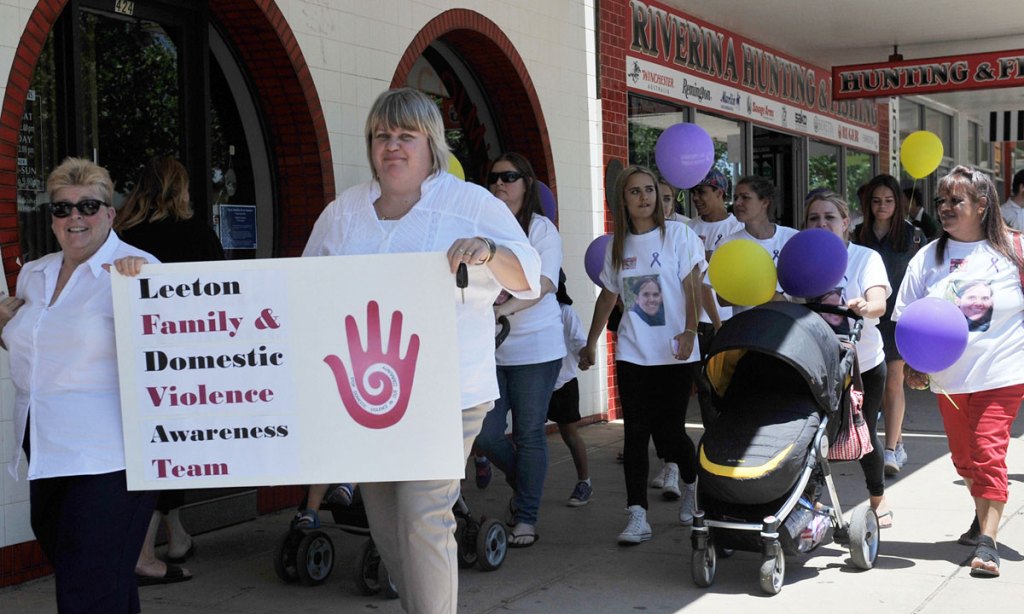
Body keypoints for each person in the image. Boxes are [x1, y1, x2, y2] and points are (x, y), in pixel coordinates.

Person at [302, 87, 540, 613]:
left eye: (405, 136)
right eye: (382, 136)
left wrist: (491, 251)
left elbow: (529, 276)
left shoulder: (470, 202)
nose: (392, 146)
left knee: (423, 513)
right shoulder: (344, 213)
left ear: (430, 144)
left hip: (446, 391)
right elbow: (305, 286)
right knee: (387, 527)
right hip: (368, 395)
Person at [1, 157, 161, 612]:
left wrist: (144, 292)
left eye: (89, 206)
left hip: (109, 456)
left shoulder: (137, 270)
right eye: (62, 208)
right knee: (97, 582)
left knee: (86, 588)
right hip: (44, 448)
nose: (75, 217)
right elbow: (40, 349)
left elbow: (170, 356)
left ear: (111, 213)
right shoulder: (36, 273)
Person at [895, 165, 1024, 578]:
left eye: (956, 201)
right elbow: (907, 316)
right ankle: (981, 514)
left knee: (989, 453)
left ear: (982, 205)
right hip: (949, 381)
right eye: (941, 201)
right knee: (965, 460)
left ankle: (988, 542)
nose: (945, 208)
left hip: (1002, 373)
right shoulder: (927, 258)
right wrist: (915, 363)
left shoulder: (1012, 252)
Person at [579, 164, 705, 545]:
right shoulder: (616, 247)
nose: (644, 197)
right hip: (634, 354)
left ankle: (692, 483)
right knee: (635, 435)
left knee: (669, 435)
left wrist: (690, 330)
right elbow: (608, 296)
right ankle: (637, 514)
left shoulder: (679, 236)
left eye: (649, 189)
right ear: (623, 200)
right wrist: (590, 342)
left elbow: (692, 287)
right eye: (635, 191)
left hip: (676, 352)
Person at [115, 156, 224, 585]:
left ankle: (175, 537)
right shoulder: (196, 234)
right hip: (183, 358)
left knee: (157, 448)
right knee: (165, 452)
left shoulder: (122, 237)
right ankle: (142, 555)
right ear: (180, 190)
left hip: (131, 358)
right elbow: (221, 293)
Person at [475, 152, 565, 548]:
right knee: (485, 433)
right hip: (490, 349)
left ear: (527, 184)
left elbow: (543, 284)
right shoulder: (479, 229)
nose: (500, 184)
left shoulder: (542, 230)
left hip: (536, 348)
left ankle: (525, 516)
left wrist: (503, 309)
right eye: (493, 177)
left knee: (529, 434)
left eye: (509, 177)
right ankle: (523, 482)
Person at [805, 191, 894, 529]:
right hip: (815, 363)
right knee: (810, 434)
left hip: (864, 363)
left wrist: (863, 307)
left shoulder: (865, 257)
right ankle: (808, 501)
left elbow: (879, 304)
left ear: (845, 223)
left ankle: (877, 497)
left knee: (863, 433)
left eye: (829, 217)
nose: (821, 223)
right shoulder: (802, 256)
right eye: (814, 218)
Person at [854, 174, 923, 476]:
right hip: (865, 318)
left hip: (898, 318)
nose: (882, 206)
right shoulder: (857, 234)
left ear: (898, 202)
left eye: (889, 200)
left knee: (893, 382)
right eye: (876, 200)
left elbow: (922, 281)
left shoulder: (913, 237)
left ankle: (892, 449)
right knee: (874, 386)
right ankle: (896, 441)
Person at [719, 176, 798, 315]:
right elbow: (722, 298)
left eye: (745, 197)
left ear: (765, 202)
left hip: (789, 325)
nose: (737, 203)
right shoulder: (728, 244)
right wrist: (768, 295)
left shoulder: (792, 239)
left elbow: (807, 289)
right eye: (736, 197)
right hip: (747, 329)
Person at [547, 270, 592, 507]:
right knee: (529, 436)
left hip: (563, 382)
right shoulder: (525, 312)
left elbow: (578, 341)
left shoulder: (565, 313)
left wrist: (584, 356)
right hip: (536, 384)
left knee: (570, 434)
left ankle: (584, 481)